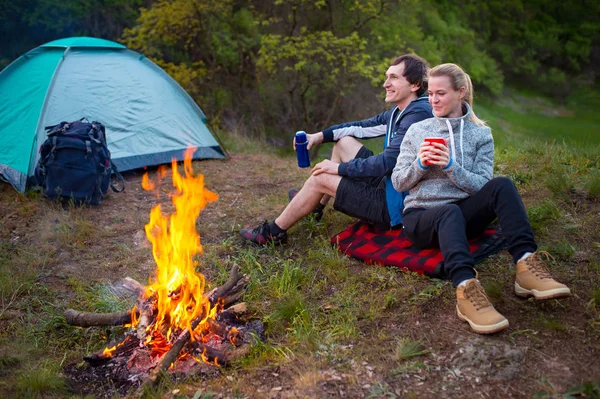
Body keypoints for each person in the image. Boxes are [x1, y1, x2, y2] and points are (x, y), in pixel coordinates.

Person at [391, 63, 571, 334]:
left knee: (501, 185)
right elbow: (398, 182)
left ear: (460, 92)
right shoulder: (419, 130)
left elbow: (481, 185)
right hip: (421, 219)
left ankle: (526, 265)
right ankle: (465, 289)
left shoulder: (480, 134)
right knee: (447, 212)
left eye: (441, 93)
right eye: (430, 94)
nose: (433, 100)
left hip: (463, 214)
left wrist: (451, 166)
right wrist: (421, 163)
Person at [240, 54, 433, 245]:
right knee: (344, 142)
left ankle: (273, 233)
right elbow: (359, 127)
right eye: (386, 77)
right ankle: (316, 206)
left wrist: (338, 169)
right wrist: (318, 136)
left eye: (394, 78)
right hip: (389, 185)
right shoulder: (400, 111)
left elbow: (387, 162)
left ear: (415, 84)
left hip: (396, 207)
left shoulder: (418, 115)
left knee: (320, 177)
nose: (386, 83)